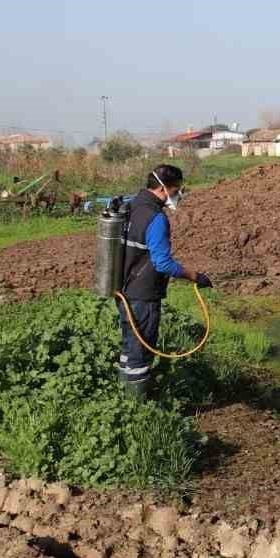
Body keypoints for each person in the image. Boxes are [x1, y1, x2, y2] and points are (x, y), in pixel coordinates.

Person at [117, 164, 212, 398]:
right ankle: (136, 405)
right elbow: (163, 264)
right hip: (143, 293)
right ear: (164, 188)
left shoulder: (132, 205)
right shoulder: (156, 218)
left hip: (123, 289)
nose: (178, 195)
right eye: (177, 190)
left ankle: (123, 395)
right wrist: (194, 276)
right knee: (140, 349)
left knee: (130, 345)